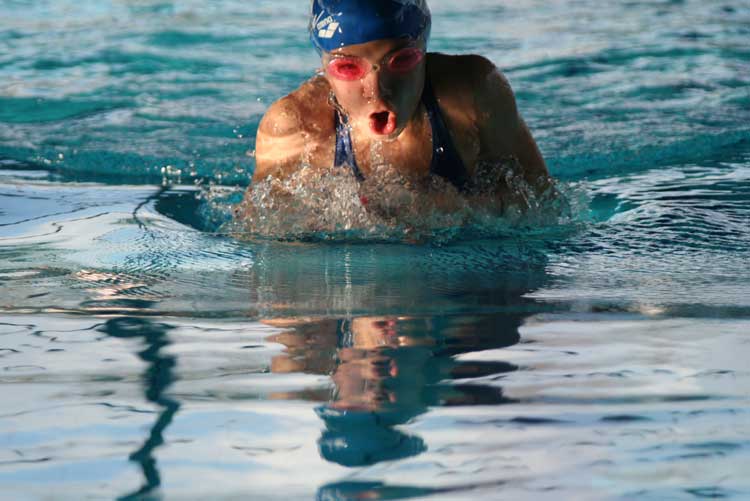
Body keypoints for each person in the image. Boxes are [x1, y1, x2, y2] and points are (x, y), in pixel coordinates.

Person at [244, 0, 552, 218]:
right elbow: (255, 229)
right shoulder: (295, 125)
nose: (378, 90)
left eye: (401, 61)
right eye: (348, 67)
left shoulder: (473, 93)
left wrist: (458, 208)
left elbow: (545, 200)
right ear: (324, 67)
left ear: (423, 51)